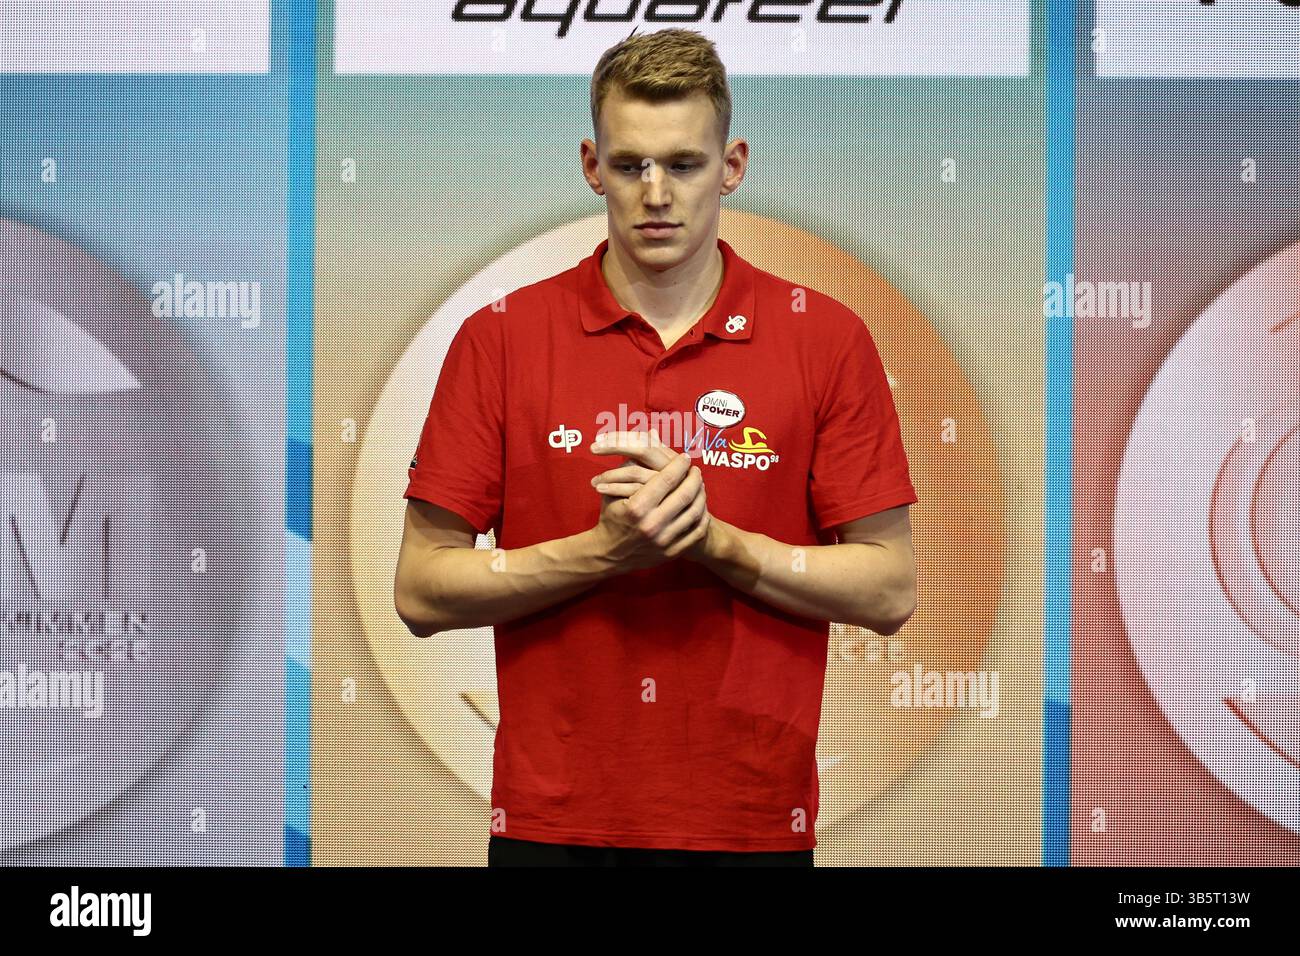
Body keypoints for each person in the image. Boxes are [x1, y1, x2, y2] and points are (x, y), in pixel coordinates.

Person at [393, 28, 918, 867]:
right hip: (551, 826)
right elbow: (421, 588)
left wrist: (717, 544)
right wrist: (600, 554)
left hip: (750, 824)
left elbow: (889, 589)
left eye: (684, 164)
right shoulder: (501, 340)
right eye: (631, 165)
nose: (656, 193)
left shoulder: (825, 339)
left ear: (733, 164)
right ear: (592, 167)